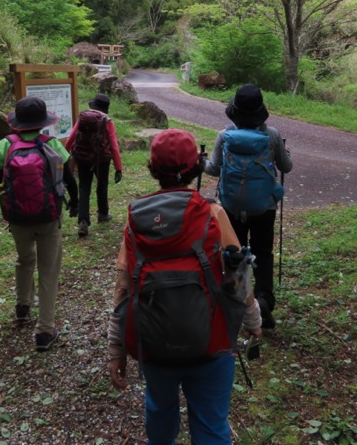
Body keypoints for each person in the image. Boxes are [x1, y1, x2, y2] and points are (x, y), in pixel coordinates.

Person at [107, 129, 263, 444]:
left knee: (160, 418)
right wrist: (253, 320)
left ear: (153, 169)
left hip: (155, 342)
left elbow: (123, 290)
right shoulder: (213, 213)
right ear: (196, 167)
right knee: (211, 425)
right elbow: (239, 276)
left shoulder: (136, 218)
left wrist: (117, 349)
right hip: (213, 340)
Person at [0, 96, 71, 351]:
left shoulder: (4, 146)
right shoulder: (52, 145)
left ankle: (22, 306)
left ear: (17, 122)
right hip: (49, 218)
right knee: (48, 270)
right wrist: (78, 205)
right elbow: (68, 178)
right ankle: (45, 331)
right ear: (42, 122)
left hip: (17, 218)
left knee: (25, 258)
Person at [205, 84, 292, 330]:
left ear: (235, 112)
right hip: (264, 208)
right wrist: (286, 153)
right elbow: (286, 167)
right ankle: (264, 301)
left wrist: (202, 162)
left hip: (231, 206)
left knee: (235, 256)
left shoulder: (225, 135)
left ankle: (239, 307)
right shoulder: (272, 135)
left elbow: (213, 169)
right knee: (263, 254)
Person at [65, 93, 123, 237]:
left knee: (84, 188)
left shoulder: (83, 117)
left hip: (83, 157)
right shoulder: (107, 121)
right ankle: (102, 213)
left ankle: (83, 222)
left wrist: (65, 156)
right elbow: (114, 146)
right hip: (101, 159)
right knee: (102, 185)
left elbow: (71, 138)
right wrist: (118, 168)